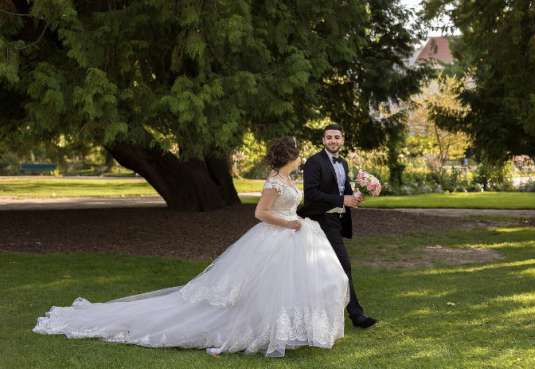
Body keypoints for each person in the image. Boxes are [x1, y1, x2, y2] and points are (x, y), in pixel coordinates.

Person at [33, 137, 349, 358]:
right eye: (298, 155)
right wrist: (289, 223)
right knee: (257, 290)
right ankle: (256, 332)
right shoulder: (273, 182)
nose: (301, 159)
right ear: (289, 157)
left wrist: (301, 221)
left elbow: (290, 207)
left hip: (294, 235)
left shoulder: (290, 179)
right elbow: (260, 214)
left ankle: (285, 331)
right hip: (276, 235)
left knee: (304, 284)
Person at [297, 124, 377, 328]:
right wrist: (342, 200)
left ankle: (323, 312)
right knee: (344, 265)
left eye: (337, 137)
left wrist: (357, 195)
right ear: (323, 140)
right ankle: (356, 315)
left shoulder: (343, 163)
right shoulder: (314, 163)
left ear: (343, 140)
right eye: (329, 137)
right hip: (319, 220)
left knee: (326, 268)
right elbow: (312, 195)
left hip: (337, 220)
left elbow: (344, 189)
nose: (333, 141)